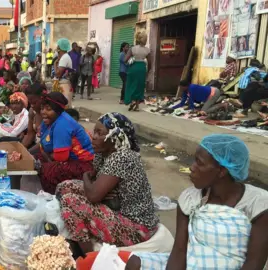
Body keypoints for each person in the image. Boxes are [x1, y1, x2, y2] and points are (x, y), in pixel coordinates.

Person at [127, 134, 268, 270]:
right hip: (193, 262)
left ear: (222, 171)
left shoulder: (257, 203)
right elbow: (180, 251)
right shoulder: (190, 199)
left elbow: (254, 263)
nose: (192, 167)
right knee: (136, 262)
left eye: (199, 163)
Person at [57, 112, 158, 254]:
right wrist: (97, 187)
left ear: (116, 137)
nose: (94, 137)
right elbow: (96, 185)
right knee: (64, 187)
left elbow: (93, 195)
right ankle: (81, 237)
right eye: (94, 132)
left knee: (71, 201)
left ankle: (88, 255)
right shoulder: (102, 152)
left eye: (100, 133)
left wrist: (86, 177)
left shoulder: (122, 157)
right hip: (116, 207)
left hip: (136, 226)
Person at [32, 92, 94, 194]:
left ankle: (54, 198)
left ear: (58, 110)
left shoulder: (62, 124)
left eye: (48, 109)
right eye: (42, 108)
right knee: (35, 159)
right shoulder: (48, 121)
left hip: (82, 164)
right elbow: (43, 145)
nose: (43, 112)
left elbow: (61, 157)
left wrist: (46, 157)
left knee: (47, 171)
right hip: (62, 157)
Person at [124, 32, 151, 111]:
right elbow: (150, 63)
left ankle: (132, 101)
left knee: (131, 85)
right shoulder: (147, 50)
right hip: (142, 68)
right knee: (140, 86)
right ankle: (137, 105)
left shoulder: (132, 49)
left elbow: (125, 60)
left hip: (133, 67)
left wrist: (130, 61)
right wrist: (147, 71)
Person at [22, 83, 45, 148]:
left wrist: (29, 152)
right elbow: (30, 134)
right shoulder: (32, 112)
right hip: (36, 145)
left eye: (35, 103)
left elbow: (45, 142)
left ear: (42, 98)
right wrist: (21, 149)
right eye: (30, 103)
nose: (32, 105)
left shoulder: (48, 114)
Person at [53, 38, 74, 108]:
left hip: (64, 84)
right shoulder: (64, 57)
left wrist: (55, 64)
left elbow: (58, 74)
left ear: (60, 47)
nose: (56, 47)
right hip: (64, 83)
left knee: (64, 106)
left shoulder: (64, 58)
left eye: (58, 45)